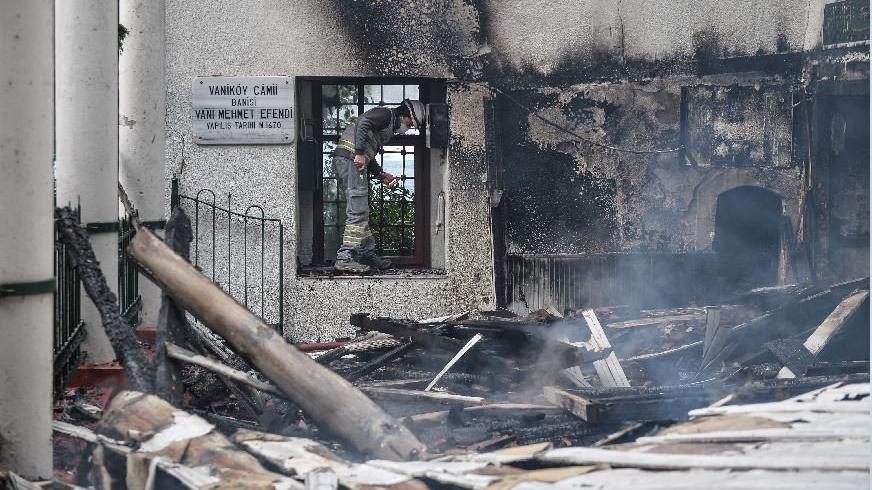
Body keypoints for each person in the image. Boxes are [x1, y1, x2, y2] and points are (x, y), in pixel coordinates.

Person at [332, 98, 426, 273]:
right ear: (405, 114)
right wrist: (359, 153)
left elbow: (368, 150)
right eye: (410, 123)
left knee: (361, 210)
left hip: (351, 161)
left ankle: (367, 253)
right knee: (358, 210)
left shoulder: (387, 125)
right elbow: (363, 122)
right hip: (350, 160)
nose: (408, 128)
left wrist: (379, 174)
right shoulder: (385, 114)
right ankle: (344, 257)